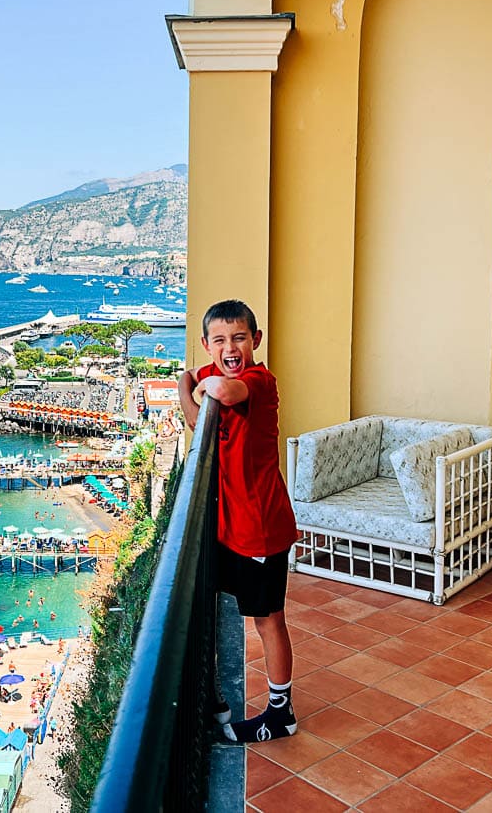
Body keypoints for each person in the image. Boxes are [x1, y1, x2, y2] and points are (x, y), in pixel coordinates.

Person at [178, 299, 299, 743]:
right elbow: (198, 422)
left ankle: (280, 713)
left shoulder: (257, 381)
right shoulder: (221, 374)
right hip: (231, 528)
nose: (231, 347)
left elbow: (222, 394)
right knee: (206, 600)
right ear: (207, 344)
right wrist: (187, 387)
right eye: (221, 340)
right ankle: (211, 696)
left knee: (268, 620)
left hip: (261, 531)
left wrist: (189, 380)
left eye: (240, 338)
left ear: (256, 341)